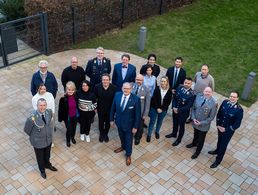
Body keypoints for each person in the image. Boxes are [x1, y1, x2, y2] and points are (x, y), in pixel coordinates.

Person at [24, 98, 57, 179]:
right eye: (41, 105)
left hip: (48, 140)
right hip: (38, 142)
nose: (42, 107)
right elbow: (27, 130)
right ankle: (42, 170)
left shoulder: (49, 112)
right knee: (40, 157)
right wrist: (35, 137)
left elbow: (49, 124)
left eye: (44, 105)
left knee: (47, 155)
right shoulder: (32, 118)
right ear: (37, 106)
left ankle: (48, 165)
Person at [209, 91, 243, 168]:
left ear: (237, 98)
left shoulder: (239, 110)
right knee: (219, 140)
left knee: (223, 145)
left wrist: (226, 129)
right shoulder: (225, 102)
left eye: (234, 97)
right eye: (231, 96)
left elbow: (237, 124)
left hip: (227, 131)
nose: (232, 98)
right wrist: (218, 124)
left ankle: (218, 160)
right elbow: (219, 113)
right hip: (220, 127)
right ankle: (217, 150)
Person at [110, 82, 141, 166]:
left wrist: (135, 126)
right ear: (122, 88)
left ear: (131, 89)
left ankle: (128, 155)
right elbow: (113, 108)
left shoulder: (136, 99)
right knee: (121, 136)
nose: (126, 90)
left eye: (128, 88)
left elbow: (137, 115)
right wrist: (111, 120)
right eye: (124, 88)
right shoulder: (117, 95)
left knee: (129, 140)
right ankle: (123, 147)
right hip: (119, 123)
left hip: (129, 126)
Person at [185, 87, 217, 159]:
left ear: (212, 93)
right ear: (203, 91)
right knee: (195, 134)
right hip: (195, 121)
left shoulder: (214, 103)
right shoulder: (198, 97)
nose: (207, 93)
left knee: (201, 139)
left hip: (203, 126)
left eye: (209, 92)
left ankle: (197, 152)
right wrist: (193, 118)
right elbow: (193, 108)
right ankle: (194, 143)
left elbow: (211, 117)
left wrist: (201, 123)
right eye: (206, 91)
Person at [166, 77, 195, 146]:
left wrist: (178, 110)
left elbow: (188, 106)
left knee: (181, 126)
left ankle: (179, 140)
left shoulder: (192, 94)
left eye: (188, 83)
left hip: (183, 114)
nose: (186, 84)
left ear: (191, 84)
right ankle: (174, 134)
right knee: (175, 123)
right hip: (175, 110)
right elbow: (175, 98)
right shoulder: (179, 87)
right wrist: (173, 107)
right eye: (185, 83)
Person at [147, 76, 172, 142]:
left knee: (159, 121)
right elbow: (154, 99)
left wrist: (162, 109)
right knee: (152, 121)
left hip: (163, 110)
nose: (163, 83)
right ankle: (149, 134)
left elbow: (168, 102)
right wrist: (157, 108)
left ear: (167, 82)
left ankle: (157, 132)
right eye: (162, 81)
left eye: (164, 81)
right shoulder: (157, 88)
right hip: (154, 108)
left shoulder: (169, 90)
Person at [94, 74, 116, 143]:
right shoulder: (97, 87)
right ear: (101, 80)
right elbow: (95, 98)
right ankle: (101, 134)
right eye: (103, 80)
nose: (105, 81)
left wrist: (114, 110)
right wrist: (95, 108)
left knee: (107, 122)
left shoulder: (114, 88)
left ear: (109, 80)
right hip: (100, 109)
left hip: (110, 109)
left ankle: (105, 134)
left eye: (107, 80)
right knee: (100, 122)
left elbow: (115, 100)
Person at [131, 74, 151, 145]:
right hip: (130, 111)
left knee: (140, 126)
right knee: (131, 124)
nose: (138, 81)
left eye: (140, 80)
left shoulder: (146, 89)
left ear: (143, 80)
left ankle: (137, 137)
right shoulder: (130, 86)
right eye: (137, 79)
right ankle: (130, 134)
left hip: (140, 112)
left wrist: (145, 114)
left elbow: (147, 103)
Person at [58, 81, 78, 147]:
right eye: (69, 89)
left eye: (72, 90)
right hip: (67, 117)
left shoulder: (76, 97)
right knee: (69, 129)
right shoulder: (63, 99)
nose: (70, 91)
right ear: (66, 90)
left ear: (74, 90)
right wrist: (60, 119)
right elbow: (60, 110)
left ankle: (72, 138)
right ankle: (68, 140)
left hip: (74, 116)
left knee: (74, 128)